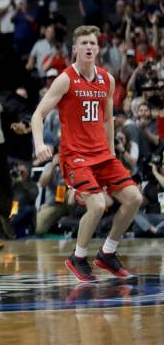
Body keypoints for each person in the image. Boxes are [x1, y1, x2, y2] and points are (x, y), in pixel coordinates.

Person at [31, 25, 143, 282]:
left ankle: (107, 253)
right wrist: (39, 144)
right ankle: (77, 257)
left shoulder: (107, 79)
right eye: (84, 43)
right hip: (75, 156)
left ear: (98, 48)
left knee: (134, 198)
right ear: (75, 49)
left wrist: (112, 151)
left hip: (102, 154)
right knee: (98, 205)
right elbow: (38, 114)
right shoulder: (65, 79)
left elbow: (108, 119)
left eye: (93, 43)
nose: (89, 47)